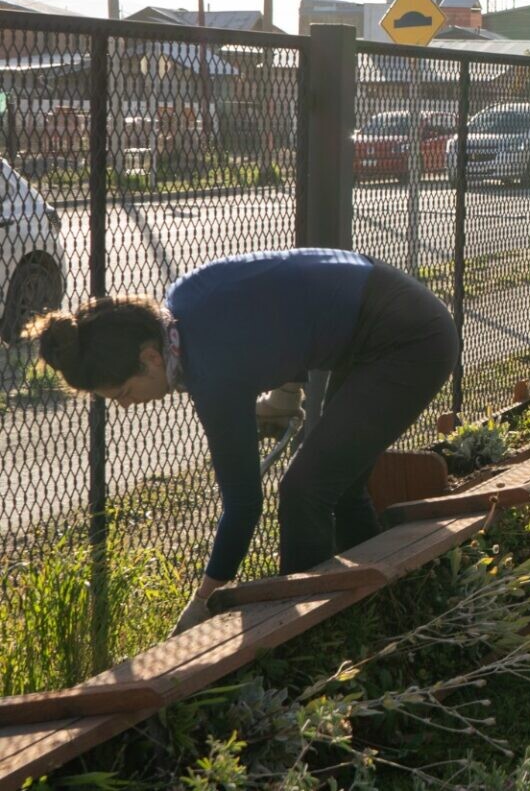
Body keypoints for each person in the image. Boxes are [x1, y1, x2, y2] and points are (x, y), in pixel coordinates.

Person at [26, 248, 458, 633]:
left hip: (411, 341)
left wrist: (203, 601)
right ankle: (381, 612)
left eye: (122, 393)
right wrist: (284, 392)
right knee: (339, 487)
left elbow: (244, 504)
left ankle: (306, 636)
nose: (126, 405)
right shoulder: (181, 306)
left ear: (151, 359)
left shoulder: (211, 371)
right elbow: (284, 306)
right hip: (384, 316)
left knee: (304, 492)